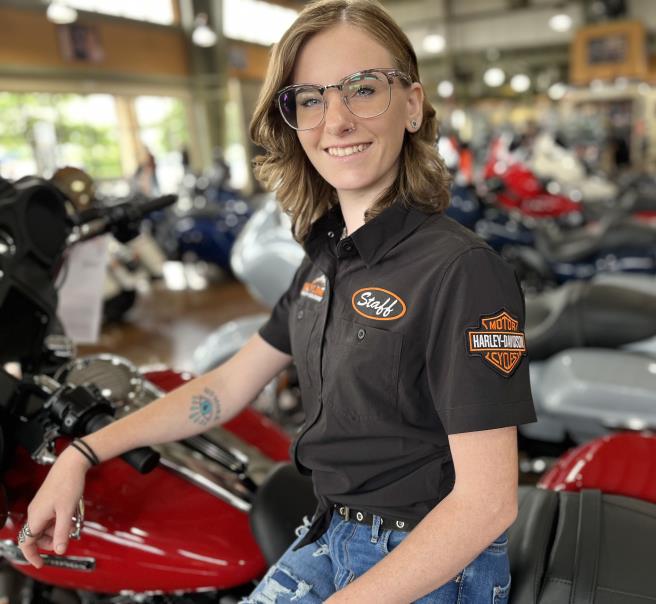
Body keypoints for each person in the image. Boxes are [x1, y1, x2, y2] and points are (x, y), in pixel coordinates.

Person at [19, 1, 536, 602]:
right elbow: (225, 387)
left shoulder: (462, 270)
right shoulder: (326, 261)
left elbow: (486, 504)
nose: (336, 120)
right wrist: (82, 453)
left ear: (413, 105)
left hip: (431, 557)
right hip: (331, 531)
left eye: (363, 89)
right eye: (311, 99)